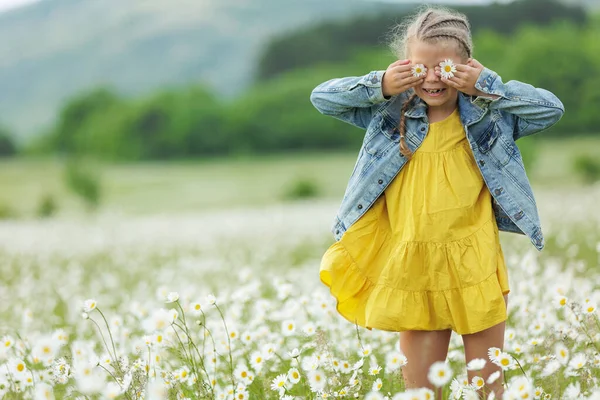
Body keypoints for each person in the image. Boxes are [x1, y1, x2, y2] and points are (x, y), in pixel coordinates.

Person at [310, 5, 564, 398]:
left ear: (465, 68)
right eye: (418, 68)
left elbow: (550, 109)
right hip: (414, 266)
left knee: (489, 387)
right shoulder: (389, 114)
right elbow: (322, 98)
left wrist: (487, 85)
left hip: (474, 263)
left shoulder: (488, 117)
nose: (431, 78)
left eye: (444, 69)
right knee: (420, 391)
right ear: (404, 67)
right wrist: (379, 85)